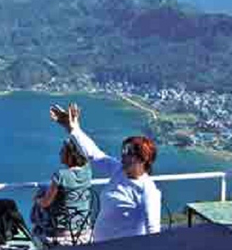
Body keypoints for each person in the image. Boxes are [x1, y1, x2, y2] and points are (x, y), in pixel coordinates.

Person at [51, 103, 161, 241]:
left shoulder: (148, 191)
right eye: (123, 150)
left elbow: (154, 233)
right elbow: (94, 154)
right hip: (101, 247)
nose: (123, 155)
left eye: (128, 153)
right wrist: (73, 129)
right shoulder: (119, 171)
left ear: (143, 160)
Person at [31, 128, 93, 246]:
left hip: (63, 231)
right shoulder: (88, 172)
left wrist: (36, 199)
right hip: (83, 228)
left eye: (62, 151)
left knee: (39, 200)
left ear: (70, 155)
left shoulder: (61, 175)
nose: (60, 153)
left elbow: (46, 202)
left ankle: (37, 237)